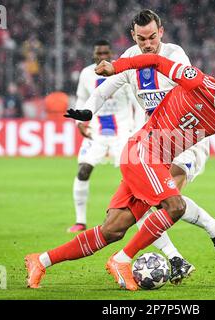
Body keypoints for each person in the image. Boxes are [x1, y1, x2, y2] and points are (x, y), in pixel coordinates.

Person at [25, 53, 215, 291]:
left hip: (156, 163)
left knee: (113, 229)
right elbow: (155, 60)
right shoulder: (197, 81)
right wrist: (117, 66)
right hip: (143, 152)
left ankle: (41, 261)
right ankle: (122, 260)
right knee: (174, 206)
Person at [77, 9, 215, 283]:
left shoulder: (174, 54)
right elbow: (104, 89)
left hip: (186, 138)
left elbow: (158, 63)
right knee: (150, 201)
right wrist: (87, 110)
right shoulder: (129, 58)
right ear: (133, 36)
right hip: (154, 141)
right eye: (141, 38)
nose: (147, 43)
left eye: (151, 36)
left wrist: (127, 63)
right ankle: (179, 256)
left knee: (166, 198)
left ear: (161, 31)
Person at [68, 39, 140, 233]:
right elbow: (83, 99)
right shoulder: (86, 74)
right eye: (99, 54)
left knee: (133, 176)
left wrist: (139, 128)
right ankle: (80, 221)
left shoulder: (123, 71)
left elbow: (137, 100)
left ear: (111, 54)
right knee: (83, 170)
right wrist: (79, 122)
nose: (102, 57)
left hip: (123, 132)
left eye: (106, 53)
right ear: (94, 54)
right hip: (96, 133)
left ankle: (142, 218)